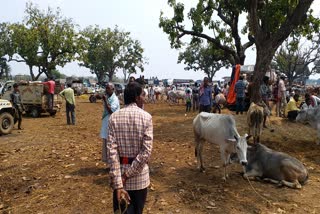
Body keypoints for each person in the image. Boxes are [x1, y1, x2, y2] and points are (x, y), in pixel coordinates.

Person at [107, 82, 153, 214]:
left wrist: (119, 181)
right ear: (137, 98)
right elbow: (146, 153)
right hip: (139, 179)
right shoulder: (147, 117)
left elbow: (112, 153)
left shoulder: (113, 118)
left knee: (121, 212)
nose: (144, 98)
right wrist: (127, 175)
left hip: (119, 179)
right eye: (142, 95)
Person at [100, 83, 120, 167]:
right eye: (106, 88)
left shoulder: (114, 99)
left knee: (111, 144)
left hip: (111, 125)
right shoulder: (109, 98)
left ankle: (113, 163)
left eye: (108, 88)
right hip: (107, 124)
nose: (106, 90)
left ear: (113, 89)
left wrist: (105, 100)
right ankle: (109, 163)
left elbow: (111, 111)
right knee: (107, 144)